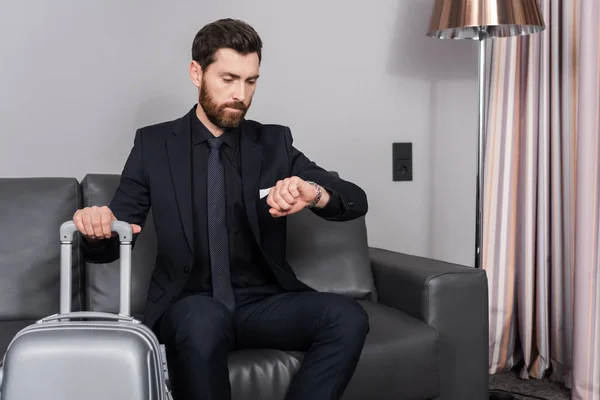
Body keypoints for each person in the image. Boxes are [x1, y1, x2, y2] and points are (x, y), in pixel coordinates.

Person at [75, 18, 369, 400]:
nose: (240, 94)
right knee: (204, 318)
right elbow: (115, 239)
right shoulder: (154, 145)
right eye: (228, 79)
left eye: (251, 81)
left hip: (260, 304)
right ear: (197, 73)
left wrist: (313, 193)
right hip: (187, 306)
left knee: (348, 317)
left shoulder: (274, 142)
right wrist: (97, 230)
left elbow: (354, 200)